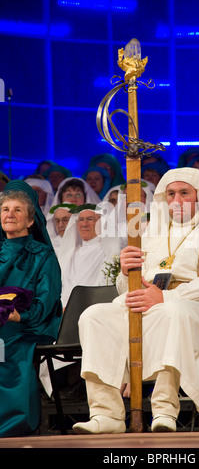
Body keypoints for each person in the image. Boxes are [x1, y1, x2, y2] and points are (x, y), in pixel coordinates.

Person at [72, 167, 199, 434]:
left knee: (171, 311)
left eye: (184, 193)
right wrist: (125, 271)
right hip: (147, 299)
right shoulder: (148, 231)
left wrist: (164, 296)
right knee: (93, 316)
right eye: (171, 193)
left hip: (196, 305)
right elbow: (125, 287)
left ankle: (164, 410)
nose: (176, 200)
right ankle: (107, 414)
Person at [0, 180, 62, 437]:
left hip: (31, 325)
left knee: (6, 345)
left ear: (30, 220)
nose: (9, 214)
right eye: (5, 209)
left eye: (17, 210)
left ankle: (15, 423)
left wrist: (20, 315)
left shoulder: (42, 256)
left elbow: (47, 300)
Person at [58, 204, 119, 308]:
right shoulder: (70, 253)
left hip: (95, 307)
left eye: (90, 219)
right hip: (65, 308)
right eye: (81, 220)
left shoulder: (109, 252)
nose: (84, 224)